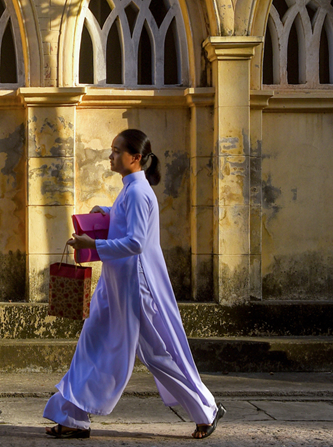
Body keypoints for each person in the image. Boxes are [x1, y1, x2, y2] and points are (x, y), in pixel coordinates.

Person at [43, 128, 225, 440]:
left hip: (134, 288)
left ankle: (206, 408)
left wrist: (93, 245)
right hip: (115, 282)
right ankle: (72, 418)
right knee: (90, 345)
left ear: (135, 157)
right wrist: (108, 213)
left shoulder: (140, 192)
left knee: (156, 354)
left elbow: (137, 242)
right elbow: (127, 221)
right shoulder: (130, 189)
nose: (110, 156)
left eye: (116, 151)